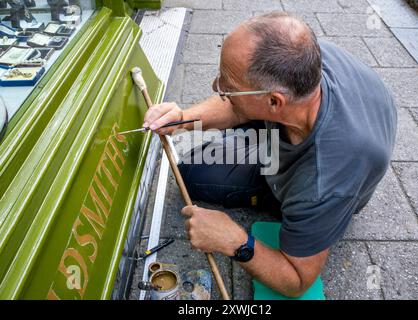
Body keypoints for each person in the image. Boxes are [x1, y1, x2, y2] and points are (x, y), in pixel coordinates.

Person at [143, 12, 397, 297]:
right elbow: (233, 104)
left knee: (192, 175)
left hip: (328, 183)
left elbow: (296, 282)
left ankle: (282, 193)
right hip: (302, 132)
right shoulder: (299, 58)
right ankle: (248, 120)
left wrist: (234, 240)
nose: (216, 87)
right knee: (208, 150)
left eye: (228, 87)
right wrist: (182, 119)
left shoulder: (322, 183)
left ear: (275, 102)